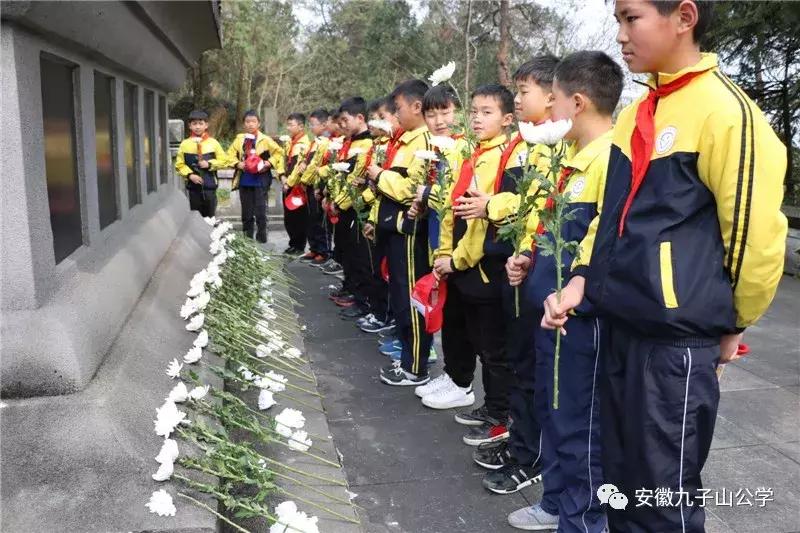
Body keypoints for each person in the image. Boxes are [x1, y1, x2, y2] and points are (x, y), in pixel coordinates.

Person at [542, 2, 788, 531]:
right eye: (618, 20)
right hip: (620, 328)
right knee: (621, 490)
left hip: (675, 343)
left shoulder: (726, 112)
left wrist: (733, 321)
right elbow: (611, 217)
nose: (621, 34)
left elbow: (752, 236)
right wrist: (582, 279)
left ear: (684, 16)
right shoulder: (637, 113)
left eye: (631, 18)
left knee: (662, 499)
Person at [506, 50, 623, 532]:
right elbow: (557, 233)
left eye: (551, 100)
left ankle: (583, 520)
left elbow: (599, 246)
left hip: (581, 322)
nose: (546, 112)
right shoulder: (571, 161)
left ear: (576, 103)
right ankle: (556, 503)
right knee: (553, 413)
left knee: (581, 425)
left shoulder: (611, 162)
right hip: (549, 315)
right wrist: (529, 259)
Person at [462, 55, 562, 496]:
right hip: (518, 265)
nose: (518, 100)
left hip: (539, 274)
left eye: (524, 92)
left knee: (531, 369)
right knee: (520, 361)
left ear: (553, 94)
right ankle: (522, 444)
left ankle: (531, 454)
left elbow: (535, 205)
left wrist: (493, 207)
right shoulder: (527, 144)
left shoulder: (554, 147)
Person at [423, 85, 523, 450]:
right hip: (463, 263)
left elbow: (483, 219)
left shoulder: (506, 157)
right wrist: (443, 253)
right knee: (468, 334)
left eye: (487, 112)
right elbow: (453, 210)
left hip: (484, 265)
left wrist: (459, 259)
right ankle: (482, 400)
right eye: (475, 112)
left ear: (507, 119)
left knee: (493, 347)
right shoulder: (471, 153)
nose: (477, 119)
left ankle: (500, 415)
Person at [366, 80, 433, 386]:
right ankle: (408, 357)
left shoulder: (424, 144)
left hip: (408, 232)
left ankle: (416, 365)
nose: (395, 114)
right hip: (392, 228)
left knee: (411, 298)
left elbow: (411, 192)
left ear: (417, 107)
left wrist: (380, 177)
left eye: (398, 108)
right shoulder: (403, 141)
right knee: (400, 295)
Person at [317, 97, 376, 321]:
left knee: (359, 256)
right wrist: (329, 195)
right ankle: (351, 288)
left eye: (345, 120)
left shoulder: (367, 145)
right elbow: (339, 175)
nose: (341, 125)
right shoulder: (348, 143)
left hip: (354, 207)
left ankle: (361, 298)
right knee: (347, 252)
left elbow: (355, 179)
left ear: (360, 118)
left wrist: (339, 203)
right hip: (342, 204)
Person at [227, 110, 284, 243]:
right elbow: (228, 155)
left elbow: (280, 153)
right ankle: (248, 242)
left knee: (261, 213)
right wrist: (237, 163)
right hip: (244, 181)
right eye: (247, 122)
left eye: (253, 122)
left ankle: (262, 241)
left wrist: (269, 163)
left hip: (261, 180)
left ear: (259, 123)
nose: (250, 124)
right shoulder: (239, 139)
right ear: (243, 124)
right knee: (246, 214)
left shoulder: (265, 139)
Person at [295, 109, 332, 265]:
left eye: (313, 124)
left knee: (319, 220)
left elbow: (317, 165)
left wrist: (306, 178)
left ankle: (323, 251)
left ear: (324, 125)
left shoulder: (327, 143)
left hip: (318, 184)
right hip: (309, 184)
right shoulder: (315, 142)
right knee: (311, 218)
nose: (311, 127)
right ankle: (314, 247)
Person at [174, 109, 227, 217]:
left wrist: (210, 164)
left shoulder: (213, 143)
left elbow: (224, 161)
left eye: (200, 123)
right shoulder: (185, 144)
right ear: (190, 126)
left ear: (206, 125)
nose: (197, 127)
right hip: (193, 188)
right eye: (194, 124)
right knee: (195, 217)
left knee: (210, 217)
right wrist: (190, 175)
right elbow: (179, 165)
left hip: (210, 186)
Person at [283, 113, 311, 255]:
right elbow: (284, 163)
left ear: (301, 126)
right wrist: (281, 176)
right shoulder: (289, 142)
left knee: (298, 216)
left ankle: (299, 245)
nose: (288, 128)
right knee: (289, 217)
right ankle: (293, 243)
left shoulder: (304, 144)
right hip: (287, 183)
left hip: (297, 186)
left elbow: (298, 167)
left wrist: (290, 182)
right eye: (287, 124)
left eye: (291, 125)